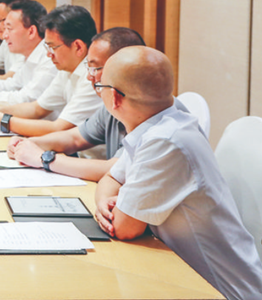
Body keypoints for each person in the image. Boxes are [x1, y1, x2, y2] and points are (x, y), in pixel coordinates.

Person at [94, 46, 262, 300]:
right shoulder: (156, 123)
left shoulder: (165, 140)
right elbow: (111, 178)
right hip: (185, 276)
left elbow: (124, 227)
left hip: (222, 291)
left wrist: (113, 210)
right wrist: (105, 205)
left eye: (100, 87)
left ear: (115, 98)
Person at [6, 27, 167, 181]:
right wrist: (29, 143)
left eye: (95, 67)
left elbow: (115, 170)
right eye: (88, 67)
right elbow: (75, 138)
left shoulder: (150, 111)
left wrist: (44, 158)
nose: (90, 76)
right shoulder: (111, 106)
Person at [0, 5, 101, 140]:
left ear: (78, 47)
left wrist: (0, 119)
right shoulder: (67, 68)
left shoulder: (93, 77)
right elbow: (36, 108)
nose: (49, 54)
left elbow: (59, 128)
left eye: (53, 47)